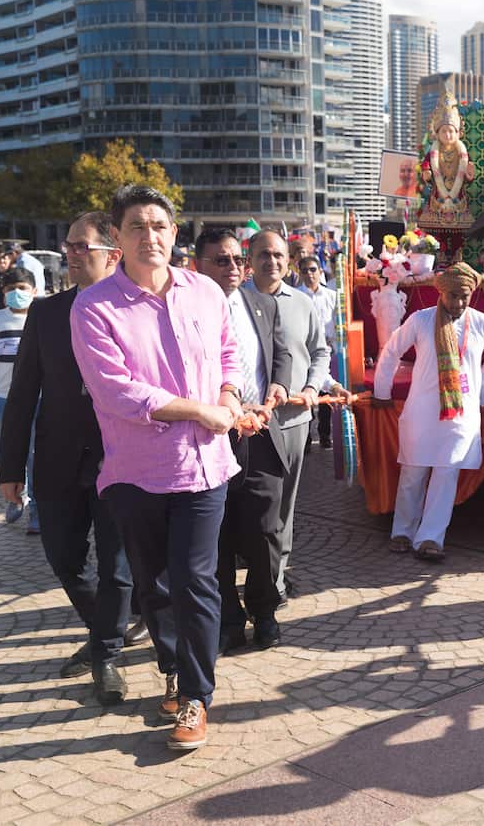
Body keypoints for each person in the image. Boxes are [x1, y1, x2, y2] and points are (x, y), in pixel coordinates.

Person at [71, 185, 244, 750]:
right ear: (116, 239)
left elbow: (227, 351)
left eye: (160, 226)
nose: (151, 237)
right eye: (138, 227)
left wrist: (229, 393)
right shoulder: (94, 307)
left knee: (196, 579)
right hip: (137, 471)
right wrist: (202, 410)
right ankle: (174, 669)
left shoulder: (205, 292)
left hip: (205, 466)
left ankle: (196, 694)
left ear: (175, 233)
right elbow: (117, 391)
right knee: (155, 583)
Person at [0, 211, 133, 703]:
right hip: (55, 459)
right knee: (63, 558)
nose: (71, 253)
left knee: (118, 566)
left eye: (81, 246)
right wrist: (10, 468)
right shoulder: (47, 312)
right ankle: (107, 631)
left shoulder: (133, 308)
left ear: (111, 254)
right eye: (69, 245)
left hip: (118, 459)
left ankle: (107, 656)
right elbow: (22, 393)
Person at [197, 229, 292, 654]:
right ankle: (229, 619)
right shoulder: (187, 311)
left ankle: (264, 610)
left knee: (266, 531)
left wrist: (279, 385)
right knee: (216, 534)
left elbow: (282, 353)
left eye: (238, 260)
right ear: (198, 264)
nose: (234, 268)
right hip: (210, 436)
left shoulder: (263, 303)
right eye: (221, 260)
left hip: (262, 434)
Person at [372, 263, 484, 560]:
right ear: (441, 293)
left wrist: (479, 397)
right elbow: (392, 350)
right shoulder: (421, 320)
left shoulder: (482, 323)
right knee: (413, 472)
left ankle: (430, 538)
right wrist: (382, 390)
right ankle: (403, 532)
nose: (458, 303)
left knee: (446, 475)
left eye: (464, 297)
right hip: (422, 410)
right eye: (452, 296)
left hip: (460, 414)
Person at [244, 231, 348, 601]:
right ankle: (254, 571)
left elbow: (320, 352)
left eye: (278, 255)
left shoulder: (302, 304)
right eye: (263, 255)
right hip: (248, 424)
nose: (271, 262)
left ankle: (274, 578)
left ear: (287, 260)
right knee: (250, 507)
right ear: (249, 258)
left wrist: (311, 389)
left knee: (285, 506)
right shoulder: (233, 302)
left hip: (293, 422)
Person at [0, 266, 39, 529]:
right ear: (3, 293)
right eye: (10, 289)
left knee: (36, 456)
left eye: (22, 288)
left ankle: (37, 508)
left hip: (39, 401)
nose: (17, 293)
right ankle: (17, 497)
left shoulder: (41, 317)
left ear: (34, 291)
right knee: (9, 454)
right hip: (3, 400)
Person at [296, 255, 341, 448]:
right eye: (305, 270)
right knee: (304, 394)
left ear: (320, 272)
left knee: (325, 392)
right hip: (303, 351)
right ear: (300, 273)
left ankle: (324, 434)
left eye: (313, 269)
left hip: (327, 350)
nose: (309, 274)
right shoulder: (295, 295)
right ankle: (304, 438)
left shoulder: (332, 296)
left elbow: (338, 325)